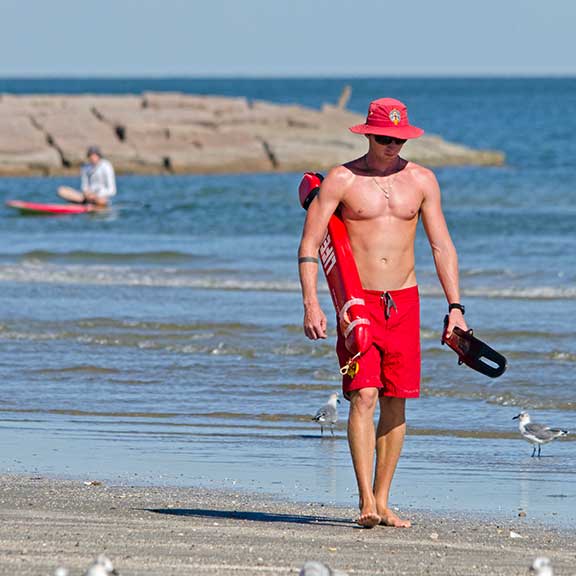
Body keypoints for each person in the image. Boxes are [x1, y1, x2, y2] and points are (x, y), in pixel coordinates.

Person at [298, 98, 468, 529]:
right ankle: (365, 500)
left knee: (396, 401)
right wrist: (312, 303)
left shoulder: (422, 180)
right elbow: (308, 247)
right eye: (383, 137)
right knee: (364, 394)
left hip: (405, 303)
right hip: (359, 304)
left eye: (399, 138)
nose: (391, 145)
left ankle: (385, 500)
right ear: (367, 134)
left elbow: (441, 245)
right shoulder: (342, 179)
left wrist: (456, 308)